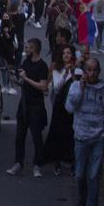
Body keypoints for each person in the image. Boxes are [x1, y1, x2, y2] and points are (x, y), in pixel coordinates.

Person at [66, 57, 104, 206]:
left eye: (95, 70)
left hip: (98, 138)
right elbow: (69, 108)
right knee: (80, 175)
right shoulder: (75, 86)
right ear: (84, 71)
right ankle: (82, 200)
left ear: (99, 71)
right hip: (81, 137)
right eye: (89, 69)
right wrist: (80, 89)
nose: (92, 73)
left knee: (94, 176)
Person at [7, 38, 50, 177]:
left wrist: (26, 79)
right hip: (24, 104)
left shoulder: (42, 66)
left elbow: (43, 86)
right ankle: (18, 162)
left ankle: (37, 165)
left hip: (36, 105)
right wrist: (14, 79)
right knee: (20, 136)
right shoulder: (26, 63)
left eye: (29, 48)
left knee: (36, 137)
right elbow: (22, 82)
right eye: (26, 47)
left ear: (35, 49)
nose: (26, 50)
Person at [45, 45, 78, 175]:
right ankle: (57, 162)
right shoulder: (57, 70)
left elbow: (78, 86)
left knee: (71, 134)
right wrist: (65, 73)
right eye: (64, 53)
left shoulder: (76, 70)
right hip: (60, 106)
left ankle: (71, 162)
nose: (66, 55)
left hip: (71, 105)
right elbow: (57, 88)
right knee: (58, 133)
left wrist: (74, 73)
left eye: (69, 53)